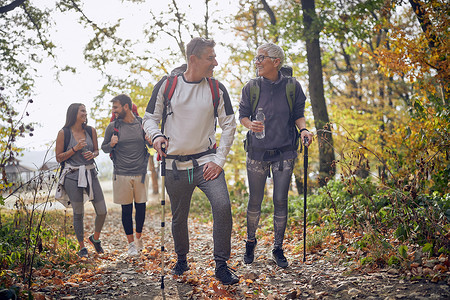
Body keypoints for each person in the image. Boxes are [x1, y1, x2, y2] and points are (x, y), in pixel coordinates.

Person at [143, 37, 238, 285]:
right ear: (193, 59)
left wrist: (219, 160)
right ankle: (182, 258)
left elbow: (229, 125)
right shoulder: (168, 85)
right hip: (174, 166)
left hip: (207, 162)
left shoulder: (217, 88)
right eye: (210, 58)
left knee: (222, 206)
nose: (215, 62)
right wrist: (156, 136)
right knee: (178, 216)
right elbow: (149, 118)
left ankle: (221, 264)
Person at [239, 42, 313, 268]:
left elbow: (298, 114)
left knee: (281, 200)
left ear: (276, 62)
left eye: (262, 58)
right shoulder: (251, 86)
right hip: (257, 152)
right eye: (256, 58)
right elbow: (242, 115)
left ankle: (277, 248)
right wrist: (250, 124)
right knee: (255, 200)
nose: (257, 62)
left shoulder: (292, 86)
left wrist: (304, 129)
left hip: (285, 151)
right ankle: (250, 242)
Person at [55, 103, 107, 258]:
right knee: (78, 213)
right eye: (82, 110)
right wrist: (75, 149)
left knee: (102, 211)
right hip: (72, 176)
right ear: (74, 114)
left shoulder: (91, 131)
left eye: (85, 110)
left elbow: (97, 150)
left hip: (91, 173)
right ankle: (82, 247)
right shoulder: (63, 133)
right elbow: (59, 158)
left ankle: (95, 239)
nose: (85, 113)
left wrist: (93, 154)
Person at [101, 94, 150, 257]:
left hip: (141, 173)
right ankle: (131, 245)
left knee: (141, 208)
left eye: (116, 107)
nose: (113, 110)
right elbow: (104, 148)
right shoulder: (113, 127)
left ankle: (138, 238)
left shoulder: (141, 124)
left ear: (126, 107)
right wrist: (111, 144)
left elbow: (150, 144)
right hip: (121, 173)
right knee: (126, 210)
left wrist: (151, 140)